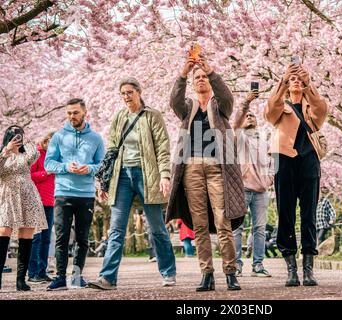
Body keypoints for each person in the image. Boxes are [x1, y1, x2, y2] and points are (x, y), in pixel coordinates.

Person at [166, 53, 246, 292]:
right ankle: (206, 273)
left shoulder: (219, 107)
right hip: (191, 168)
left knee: (223, 221)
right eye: (197, 77)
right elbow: (174, 101)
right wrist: (183, 72)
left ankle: (231, 272)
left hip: (216, 167)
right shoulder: (188, 107)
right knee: (198, 225)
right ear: (192, 83)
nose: (201, 79)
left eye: (204, 77)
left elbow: (227, 96)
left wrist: (210, 70)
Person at [87, 78, 176, 290]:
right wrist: (103, 180)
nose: (126, 97)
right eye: (123, 93)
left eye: (129, 92)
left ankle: (168, 272)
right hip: (122, 176)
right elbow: (111, 149)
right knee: (116, 229)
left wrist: (164, 175)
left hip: (147, 175)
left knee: (157, 227)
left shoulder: (152, 116)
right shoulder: (120, 117)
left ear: (139, 92)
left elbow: (163, 148)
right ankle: (107, 278)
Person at [265, 62, 328, 286]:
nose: (296, 82)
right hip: (283, 158)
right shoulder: (281, 106)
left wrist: (309, 85)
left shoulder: (312, 109)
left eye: (299, 79)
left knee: (309, 213)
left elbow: (322, 109)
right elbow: (269, 112)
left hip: (309, 159)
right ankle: (291, 268)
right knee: (286, 213)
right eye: (292, 79)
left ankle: (309, 269)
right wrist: (282, 83)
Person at [45, 98, 105, 290]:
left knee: (82, 238)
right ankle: (60, 277)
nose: (72, 116)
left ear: (84, 112)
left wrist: (88, 168)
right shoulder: (58, 137)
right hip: (62, 193)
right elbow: (48, 164)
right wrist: (65, 167)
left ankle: (77, 277)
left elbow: (102, 166)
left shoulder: (95, 138)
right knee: (62, 237)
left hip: (86, 194)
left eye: (76, 112)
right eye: (69, 113)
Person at [0, 125, 48, 291]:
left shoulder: (27, 152)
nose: (16, 138)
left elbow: (33, 155)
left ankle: (21, 279)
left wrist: (24, 144)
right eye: (13, 135)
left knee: (26, 236)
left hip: (28, 197)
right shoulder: (2, 154)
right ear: (7, 136)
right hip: (6, 197)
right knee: (3, 232)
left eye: (19, 134)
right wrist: (6, 150)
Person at [232, 91, 274, 277]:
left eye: (252, 116)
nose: (250, 117)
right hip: (241, 189)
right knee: (237, 229)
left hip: (261, 191)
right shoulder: (238, 138)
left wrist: (269, 179)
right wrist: (246, 104)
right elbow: (237, 120)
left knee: (260, 229)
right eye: (247, 116)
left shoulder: (265, 140)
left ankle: (258, 265)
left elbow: (273, 162)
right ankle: (236, 265)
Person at [28, 132, 55, 283]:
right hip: (36, 200)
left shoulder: (55, 157)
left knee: (46, 239)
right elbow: (29, 176)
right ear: (46, 140)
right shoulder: (36, 154)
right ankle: (32, 273)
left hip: (50, 202)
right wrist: (46, 173)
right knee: (35, 238)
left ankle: (42, 271)